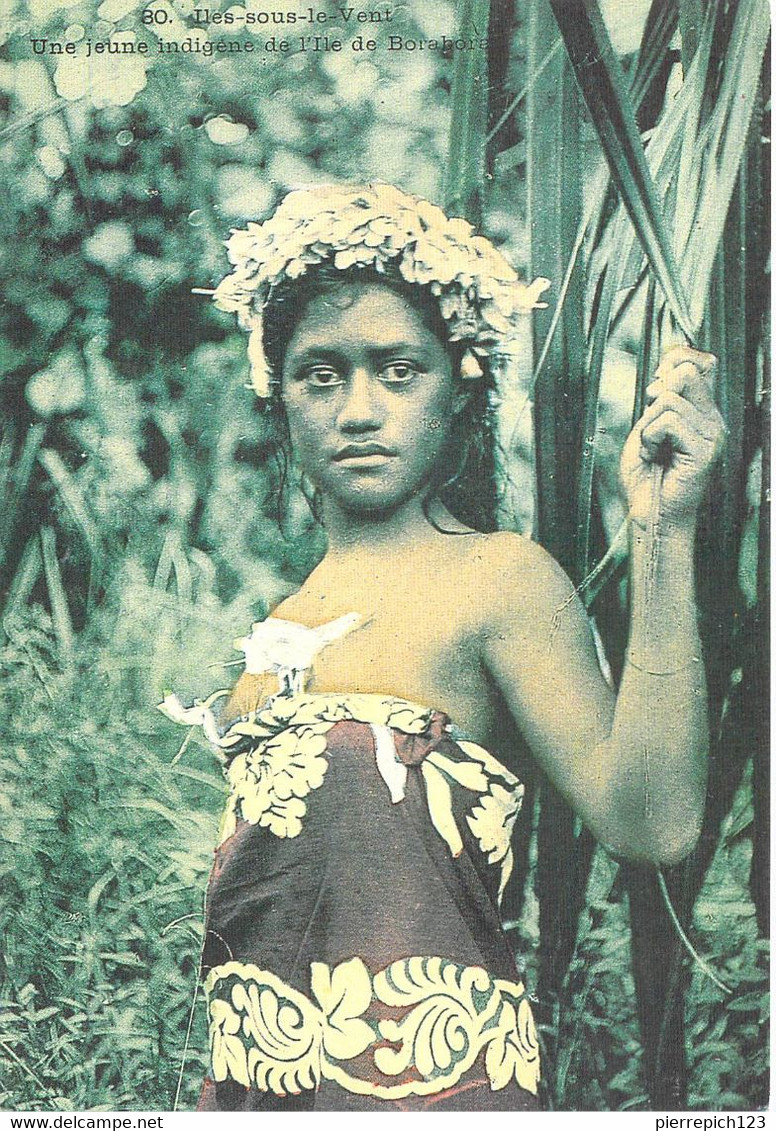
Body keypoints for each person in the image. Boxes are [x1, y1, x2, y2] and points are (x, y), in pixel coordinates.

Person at [161, 183, 724, 1111]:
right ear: (281, 401)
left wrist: (665, 531)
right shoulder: (281, 627)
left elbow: (653, 824)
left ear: (458, 396)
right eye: (322, 374)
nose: (358, 409)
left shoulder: (497, 579)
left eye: (398, 369)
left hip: (439, 1088)